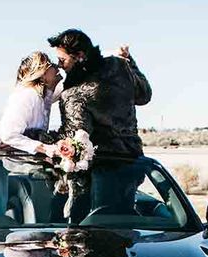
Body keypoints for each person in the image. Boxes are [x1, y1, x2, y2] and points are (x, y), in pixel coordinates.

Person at [47, 29, 151, 214]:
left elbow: (76, 142)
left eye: (62, 60)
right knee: (123, 228)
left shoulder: (74, 95)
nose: (59, 65)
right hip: (134, 164)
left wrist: (38, 138)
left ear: (79, 56)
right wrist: (130, 62)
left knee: (87, 233)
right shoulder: (120, 66)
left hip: (98, 175)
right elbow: (144, 95)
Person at [0, 51, 62, 155]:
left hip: (31, 164)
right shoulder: (27, 95)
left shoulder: (43, 97)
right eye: (49, 64)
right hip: (21, 167)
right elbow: (8, 135)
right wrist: (46, 148)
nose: (56, 66)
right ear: (41, 74)